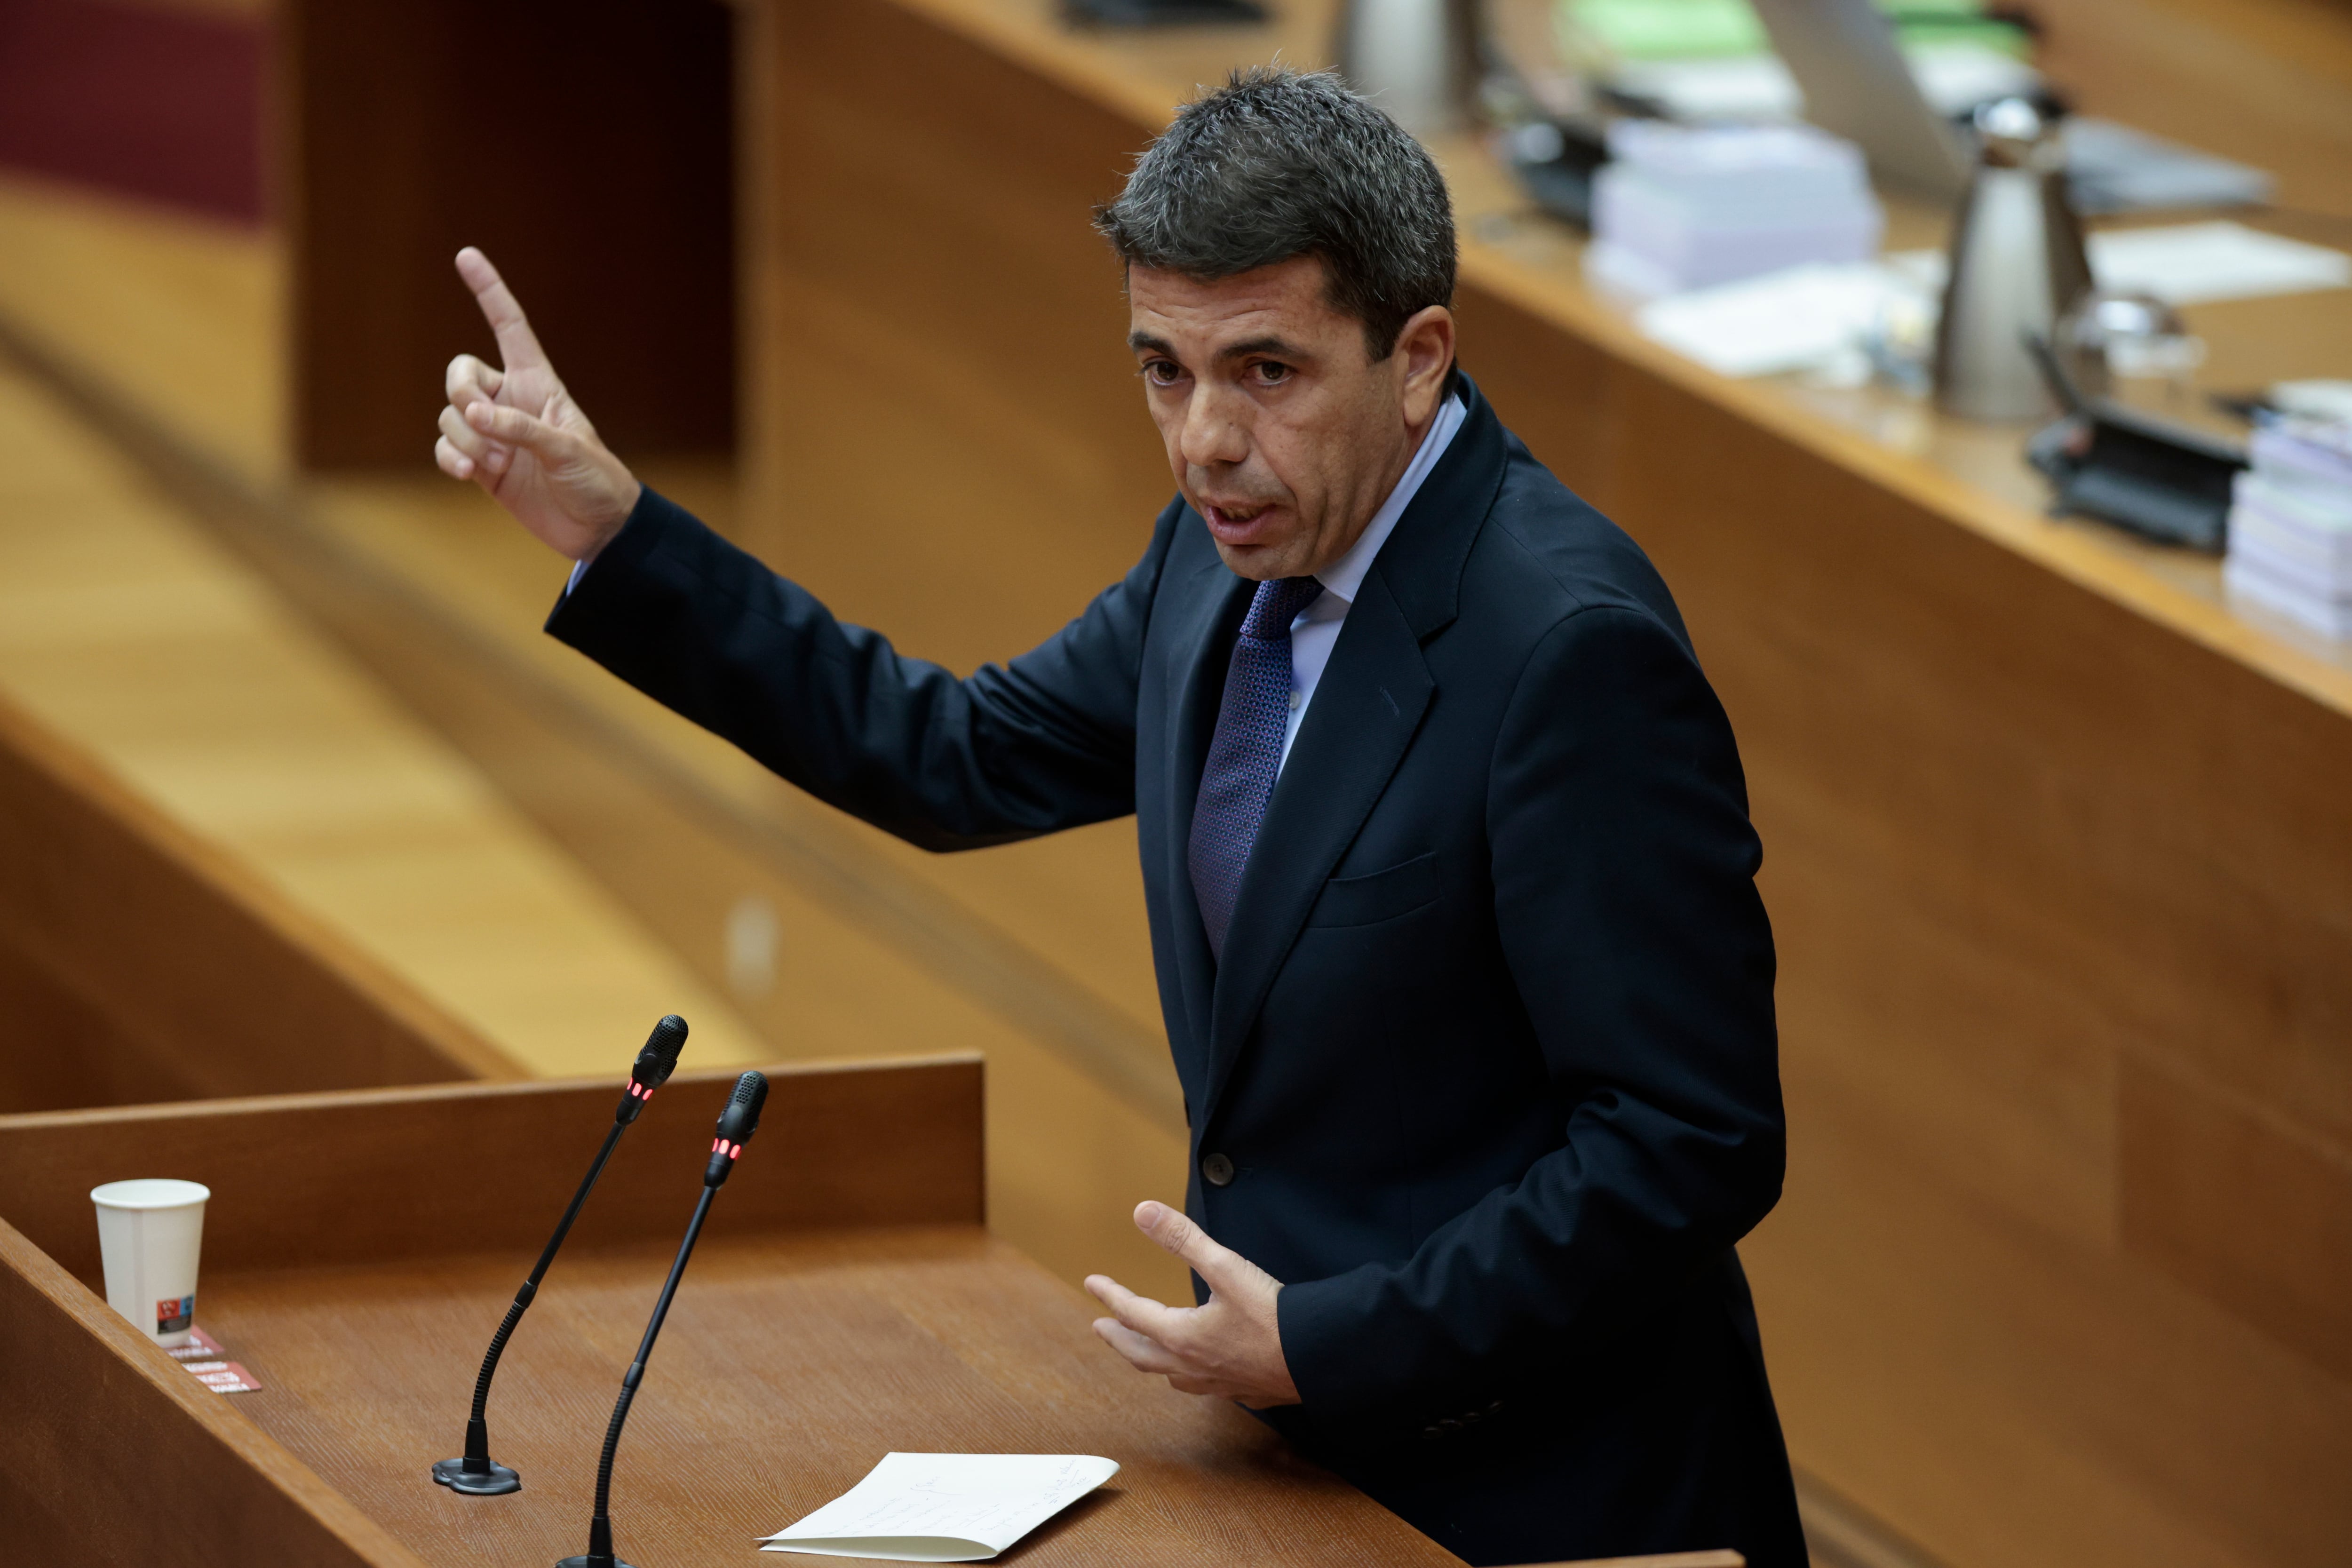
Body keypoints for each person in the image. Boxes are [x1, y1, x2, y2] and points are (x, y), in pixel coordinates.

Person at [432, 65, 1804, 1568]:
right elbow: (948, 754)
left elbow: (1689, 1142)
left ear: (1417, 358)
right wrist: (620, 537)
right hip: (1307, 1471)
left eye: (1266, 373)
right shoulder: (1221, 565)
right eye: (1164, 368)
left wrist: (1334, 1339)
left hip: (1557, 1500)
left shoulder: (1565, 648)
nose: (1205, 440)